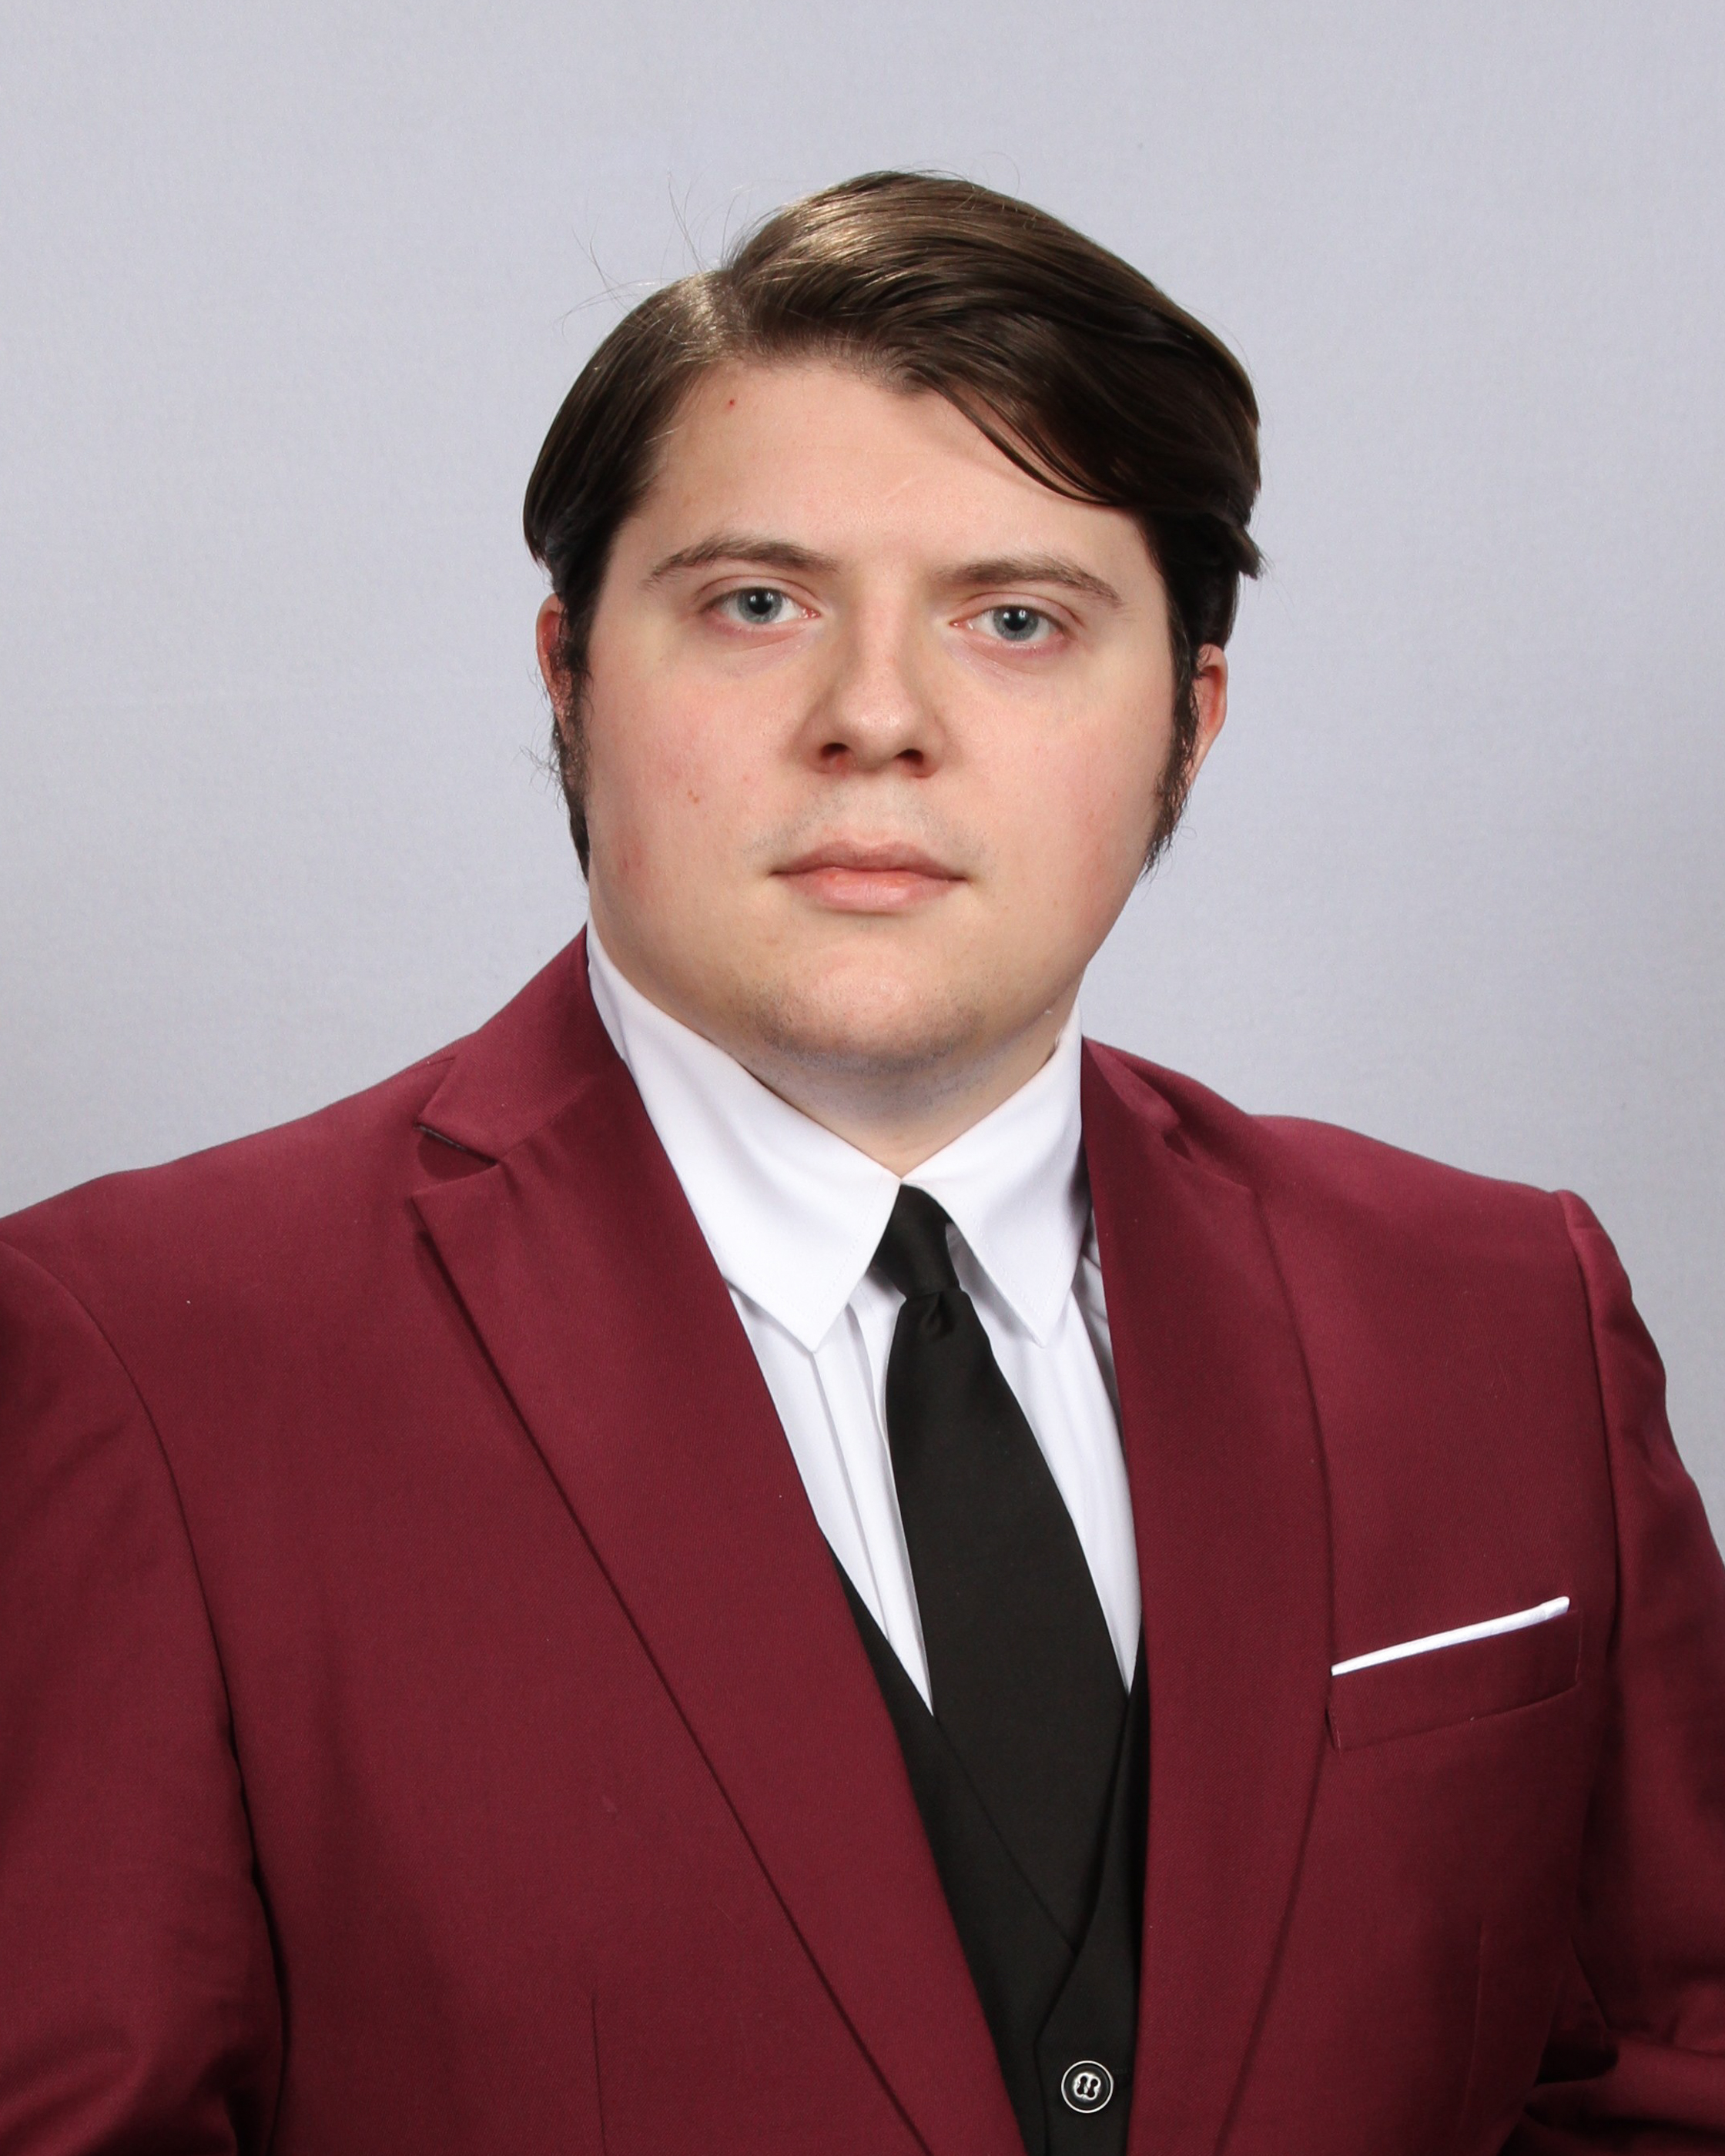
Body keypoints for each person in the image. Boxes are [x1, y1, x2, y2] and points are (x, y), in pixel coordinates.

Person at [2, 171, 1720, 2156]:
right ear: (567, 676)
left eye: (1017, 620)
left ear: (1193, 721)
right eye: (758, 604)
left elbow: (1670, 2082)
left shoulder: (1501, 1320)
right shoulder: (147, 1364)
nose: (877, 719)